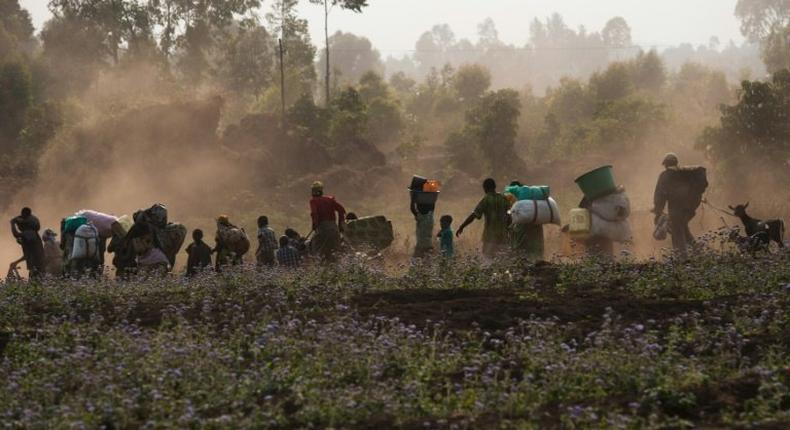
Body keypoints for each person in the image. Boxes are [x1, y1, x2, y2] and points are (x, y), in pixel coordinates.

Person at [653, 153, 704, 256]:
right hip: (690, 209)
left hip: (676, 209)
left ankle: (682, 257)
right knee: (682, 228)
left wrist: (658, 211)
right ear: (676, 163)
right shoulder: (685, 173)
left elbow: (660, 194)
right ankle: (697, 249)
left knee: (677, 232)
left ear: (666, 164)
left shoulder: (665, 176)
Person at [456, 178, 511, 257]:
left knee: (488, 261)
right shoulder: (503, 198)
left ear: (485, 188)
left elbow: (474, 215)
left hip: (490, 237)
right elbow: (509, 216)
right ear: (495, 186)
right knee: (502, 262)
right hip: (503, 237)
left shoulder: (486, 199)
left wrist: (462, 226)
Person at [508, 181, 545, 260]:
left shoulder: (521, 206)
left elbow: (519, 232)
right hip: (538, 247)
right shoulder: (533, 203)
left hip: (526, 250)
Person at [309, 181, 346, 262]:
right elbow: (341, 210)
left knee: (318, 250)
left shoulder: (313, 201)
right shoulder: (330, 199)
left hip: (323, 229)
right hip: (334, 228)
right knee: (336, 252)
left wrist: (314, 225)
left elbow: (314, 214)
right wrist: (340, 225)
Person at [10, 207, 45, 279]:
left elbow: (16, 234)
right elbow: (28, 254)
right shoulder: (33, 234)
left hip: (36, 266)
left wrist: (12, 224)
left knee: (36, 282)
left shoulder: (29, 233)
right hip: (36, 266)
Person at [410, 191, 435, 258]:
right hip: (429, 245)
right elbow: (432, 207)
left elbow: (412, 209)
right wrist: (432, 197)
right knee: (428, 265)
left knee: (415, 264)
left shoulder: (421, 217)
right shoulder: (430, 216)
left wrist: (413, 199)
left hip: (421, 246)